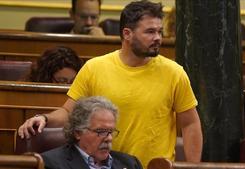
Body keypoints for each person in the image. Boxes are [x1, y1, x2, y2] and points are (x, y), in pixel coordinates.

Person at [18, 1, 203, 168]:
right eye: (150, 31)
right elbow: (69, 112)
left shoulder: (174, 72)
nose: (158, 38)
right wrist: (44, 118)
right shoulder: (95, 68)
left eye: (159, 31)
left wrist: (192, 167)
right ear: (127, 34)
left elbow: (190, 124)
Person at [41, 96, 142, 169]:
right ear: (78, 132)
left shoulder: (130, 163)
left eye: (111, 132)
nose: (109, 138)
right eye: (101, 131)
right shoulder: (51, 164)